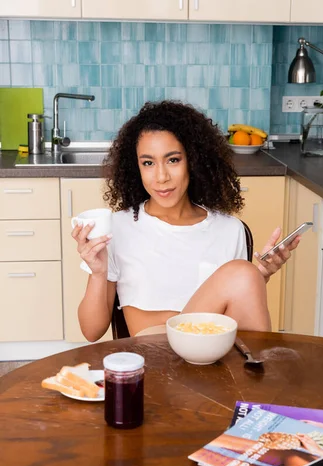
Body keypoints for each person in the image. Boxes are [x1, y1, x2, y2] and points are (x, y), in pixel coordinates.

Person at [72, 100, 300, 342]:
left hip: (214, 361)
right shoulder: (117, 228)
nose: (161, 177)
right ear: (135, 168)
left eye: (173, 160)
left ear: (194, 159)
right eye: (148, 163)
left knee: (244, 276)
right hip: (155, 362)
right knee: (242, 274)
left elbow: (237, 318)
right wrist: (98, 272)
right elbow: (91, 331)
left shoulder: (229, 229)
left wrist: (258, 277)